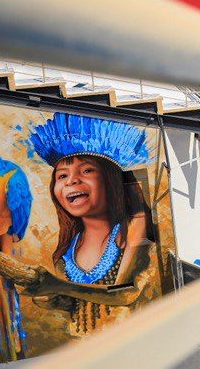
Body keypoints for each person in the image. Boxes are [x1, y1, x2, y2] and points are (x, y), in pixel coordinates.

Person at [26, 112, 156, 334]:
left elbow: (127, 293)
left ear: (111, 180)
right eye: (62, 176)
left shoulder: (133, 227)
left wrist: (57, 285)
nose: (72, 181)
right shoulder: (67, 249)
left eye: (86, 170)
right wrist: (50, 299)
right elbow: (78, 304)